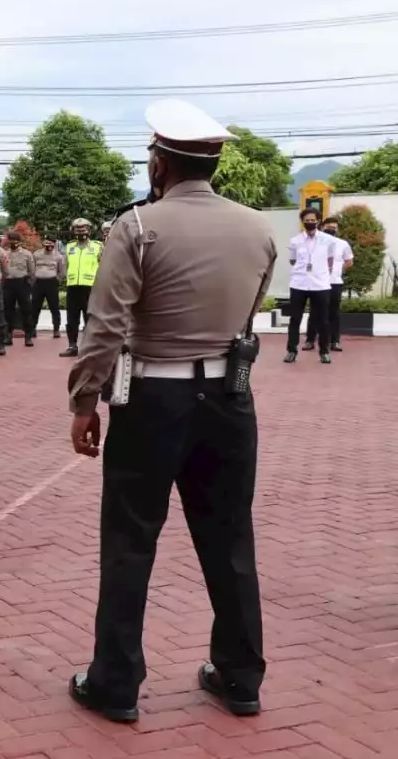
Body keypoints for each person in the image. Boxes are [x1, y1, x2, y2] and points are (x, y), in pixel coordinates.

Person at [66, 98, 276, 725]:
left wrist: (84, 400)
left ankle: (117, 683)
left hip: (152, 400)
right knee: (231, 538)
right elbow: (247, 314)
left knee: (130, 543)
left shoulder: (136, 227)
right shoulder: (257, 229)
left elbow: (104, 327)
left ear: (159, 162)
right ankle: (240, 678)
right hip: (230, 401)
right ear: (211, 163)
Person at [284, 209, 335, 364]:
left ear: (318, 221)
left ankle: (324, 351)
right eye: (307, 219)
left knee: (323, 320)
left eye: (313, 220)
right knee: (295, 319)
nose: (310, 222)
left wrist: (321, 272)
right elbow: (292, 261)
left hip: (320, 284)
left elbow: (330, 261)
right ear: (302, 221)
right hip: (299, 283)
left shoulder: (328, 240)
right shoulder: (295, 241)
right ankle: (291, 351)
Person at [304, 215, 352, 353]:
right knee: (314, 312)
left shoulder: (343, 244)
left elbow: (349, 261)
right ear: (322, 227)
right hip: (317, 283)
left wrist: (338, 270)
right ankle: (310, 340)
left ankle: (335, 341)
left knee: (334, 313)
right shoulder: (314, 242)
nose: (332, 229)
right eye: (329, 227)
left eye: (334, 228)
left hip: (335, 282)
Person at [60, 218, 103, 357]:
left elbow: (103, 266)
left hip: (90, 287)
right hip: (73, 287)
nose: (81, 232)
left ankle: (89, 348)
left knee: (90, 318)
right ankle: (72, 346)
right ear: (73, 231)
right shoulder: (69, 247)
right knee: (72, 318)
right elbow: (66, 265)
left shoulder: (98, 246)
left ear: (89, 231)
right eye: (77, 230)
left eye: (83, 229)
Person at [2, 231, 36, 347]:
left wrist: (29, 284)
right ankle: (8, 336)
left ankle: (28, 337)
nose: (13, 243)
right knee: (8, 311)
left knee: (26, 310)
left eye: (15, 240)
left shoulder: (27, 254)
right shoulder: (4, 254)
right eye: (11, 240)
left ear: (19, 242)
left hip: (22, 283)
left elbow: (32, 271)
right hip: (8, 283)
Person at [33, 237, 65, 339]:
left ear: (54, 244)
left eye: (51, 243)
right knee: (35, 307)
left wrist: (57, 280)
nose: (49, 245)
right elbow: (31, 268)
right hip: (38, 283)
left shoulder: (58, 256)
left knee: (54, 307)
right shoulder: (36, 254)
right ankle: (32, 329)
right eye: (47, 243)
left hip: (51, 283)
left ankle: (56, 329)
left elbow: (61, 271)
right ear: (43, 243)